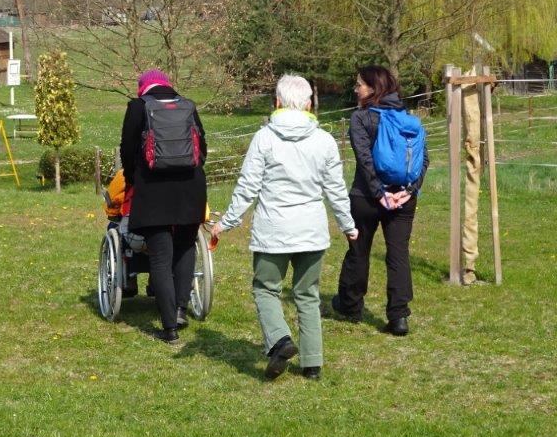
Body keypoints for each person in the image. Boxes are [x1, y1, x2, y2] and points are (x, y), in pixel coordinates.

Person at [213, 75, 358, 381]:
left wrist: (226, 222)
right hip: (311, 231)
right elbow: (335, 189)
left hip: (273, 232)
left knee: (265, 289)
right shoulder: (325, 140)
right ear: (308, 104)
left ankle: (280, 340)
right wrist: (348, 226)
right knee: (307, 293)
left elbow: (248, 186)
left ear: (277, 102)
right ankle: (312, 364)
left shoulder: (264, 138)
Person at [331, 65, 429, 336]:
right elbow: (424, 160)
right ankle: (399, 316)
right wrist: (409, 190)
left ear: (373, 89)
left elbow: (364, 160)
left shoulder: (361, 118)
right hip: (403, 199)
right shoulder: (408, 119)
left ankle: (350, 305)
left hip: (367, 197)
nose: (356, 89)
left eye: (359, 84)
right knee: (398, 254)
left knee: (358, 249)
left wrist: (379, 193)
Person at [119, 69, 207, 343]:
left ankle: (169, 327)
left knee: (159, 257)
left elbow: (127, 149)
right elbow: (202, 147)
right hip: (191, 190)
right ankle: (180, 309)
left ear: (142, 87)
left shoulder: (138, 107)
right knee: (184, 249)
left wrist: (135, 180)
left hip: (153, 191)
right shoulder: (188, 105)